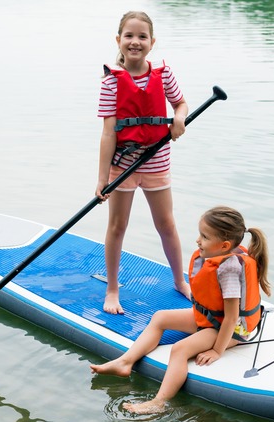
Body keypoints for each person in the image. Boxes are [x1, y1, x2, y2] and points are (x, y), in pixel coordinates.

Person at [90, 206, 272, 414]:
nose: (197, 240)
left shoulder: (229, 269)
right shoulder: (220, 257)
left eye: (204, 236)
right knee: (160, 317)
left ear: (224, 245)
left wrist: (216, 350)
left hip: (232, 330)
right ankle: (125, 362)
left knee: (180, 350)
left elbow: (231, 318)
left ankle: (158, 402)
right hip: (212, 320)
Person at [95, 11, 191, 315]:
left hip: (156, 159)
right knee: (117, 226)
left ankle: (179, 281)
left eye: (142, 37)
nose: (135, 42)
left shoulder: (163, 75)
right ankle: (112, 289)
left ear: (152, 42)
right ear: (119, 40)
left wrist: (178, 119)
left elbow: (181, 103)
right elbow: (109, 132)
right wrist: (101, 179)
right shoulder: (111, 82)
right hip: (123, 164)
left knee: (166, 224)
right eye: (129, 36)